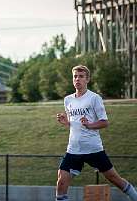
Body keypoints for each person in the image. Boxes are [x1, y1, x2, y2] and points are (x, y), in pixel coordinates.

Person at [55, 65, 137, 201]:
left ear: (87, 79)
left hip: (93, 148)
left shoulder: (94, 98)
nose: (77, 79)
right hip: (73, 149)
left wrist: (90, 125)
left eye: (81, 76)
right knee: (61, 182)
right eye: (75, 76)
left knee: (113, 178)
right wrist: (66, 122)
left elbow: (104, 122)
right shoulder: (68, 100)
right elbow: (74, 122)